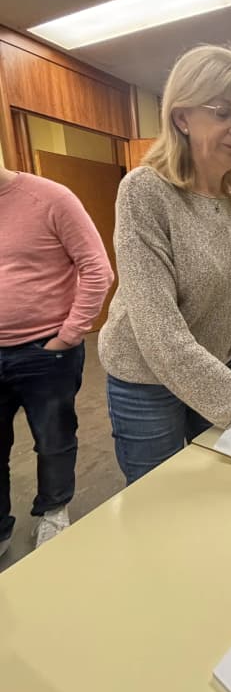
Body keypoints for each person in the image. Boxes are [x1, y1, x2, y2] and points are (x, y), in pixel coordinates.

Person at [99, 45, 231, 485]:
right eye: (222, 112)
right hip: (146, 381)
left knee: (213, 484)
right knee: (159, 497)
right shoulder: (144, 193)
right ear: (182, 118)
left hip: (217, 366)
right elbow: (160, 335)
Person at [0, 167, 113, 555]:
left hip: (45, 351)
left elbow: (98, 270)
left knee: (53, 439)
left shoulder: (52, 198)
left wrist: (68, 335)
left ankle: (53, 511)